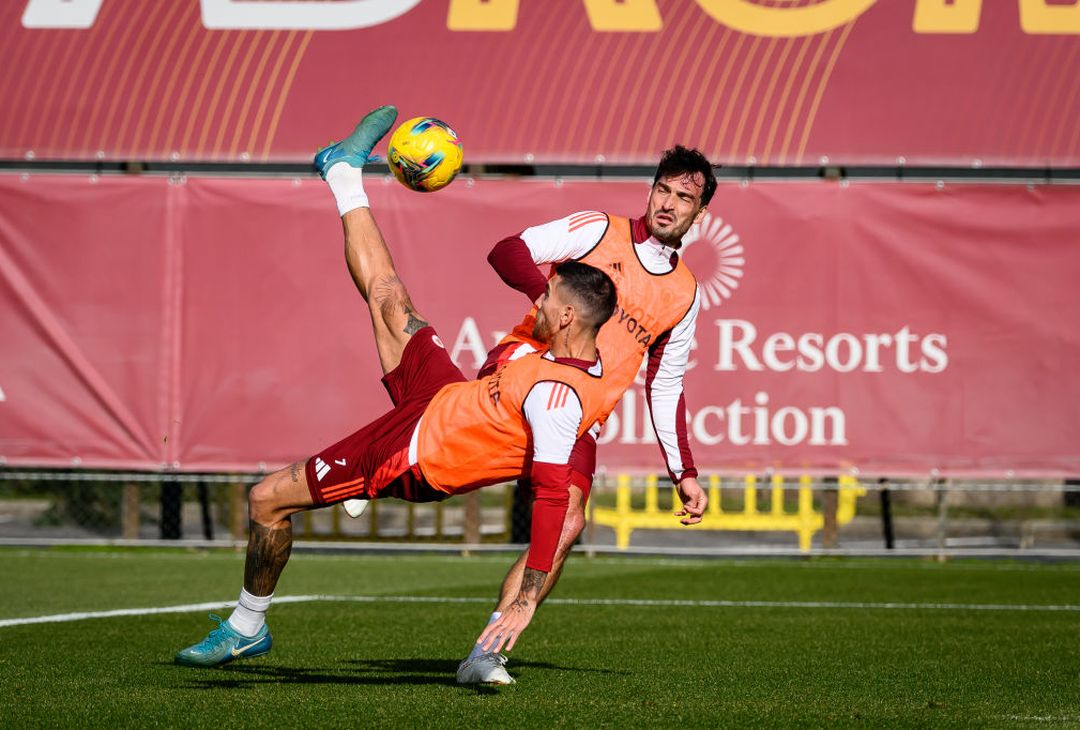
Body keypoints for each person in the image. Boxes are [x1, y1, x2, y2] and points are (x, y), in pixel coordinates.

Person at [174, 105, 618, 668]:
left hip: (411, 455)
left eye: (548, 299)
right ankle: (342, 171)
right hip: (439, 400)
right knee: (389, 297)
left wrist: (528, 597)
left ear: (570, 319)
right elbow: (513, 292)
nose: (538, 299)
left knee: (265, 500)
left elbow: (554, 499)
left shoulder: (560, 399)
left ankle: (246, 624)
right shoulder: (559, 350)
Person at [451, 145, 716, 684]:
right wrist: (549, 297)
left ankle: (485, 653)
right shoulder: (598, 230)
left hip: (580, 412)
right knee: (444, 466)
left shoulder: (685, 294)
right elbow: (509, 250)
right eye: (662, 189)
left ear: (700, 212)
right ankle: (386, 464)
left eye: (683, 197)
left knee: (569, 523)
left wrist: (683, 472)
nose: (668, 204)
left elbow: (665, 385)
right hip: (527, 370)